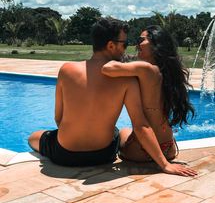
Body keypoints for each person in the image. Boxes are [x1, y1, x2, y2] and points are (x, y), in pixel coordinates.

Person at [28, 18, 197, 176]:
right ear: (110, 46)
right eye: (126, 44)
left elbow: (58, 118)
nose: (129, 48)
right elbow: (141, 124)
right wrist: (165, 165)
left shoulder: (66, 70)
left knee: (33, 137)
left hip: (65, 154)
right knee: (117, 131)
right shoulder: (129, 79)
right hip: (104, 155)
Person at [102, 25, 195, 163]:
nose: (137, 44)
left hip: (141, 150)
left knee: (119, 132)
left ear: (155, 43)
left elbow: (107, 69)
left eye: (141, 40)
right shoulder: (168, 72)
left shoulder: (145, 69)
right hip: (168, 148)